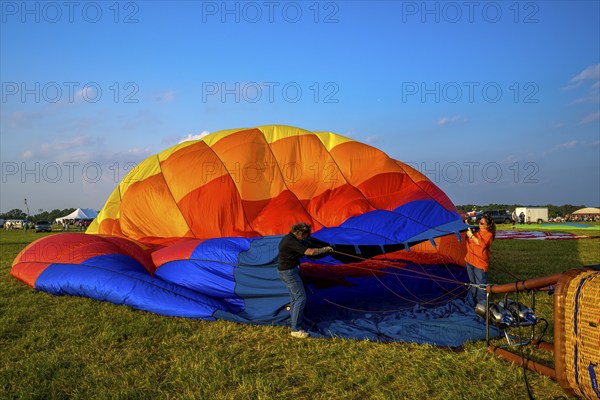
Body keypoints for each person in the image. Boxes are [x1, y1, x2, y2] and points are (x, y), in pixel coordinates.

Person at [278, 222, 333, 339]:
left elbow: (310, 242)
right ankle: (296, 329)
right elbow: (311, 252)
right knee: (300, 298)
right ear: (300, 233)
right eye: (305, 236)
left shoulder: (290, 238)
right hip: (289, 273)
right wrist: (326, 249)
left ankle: (294, 322)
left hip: (288, 271)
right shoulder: (291, 241)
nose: (306, 238)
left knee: (294, 299)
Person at [465, 215, 496, 306]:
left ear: (488, 225)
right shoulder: (476, 232)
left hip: (480, 262)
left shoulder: (489, 235)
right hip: (469, 259)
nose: (479, 224)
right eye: (479, 222)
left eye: (482, 223)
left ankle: (482, 304)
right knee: (472, 283)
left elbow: (481, 244)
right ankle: (471, 302)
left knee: (481, 285)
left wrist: (471, 236)